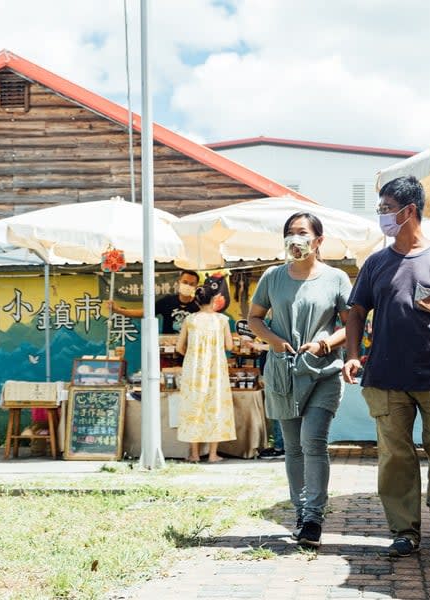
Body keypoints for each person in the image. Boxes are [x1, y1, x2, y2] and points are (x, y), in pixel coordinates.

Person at [342, 175, 430, 558]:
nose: (381, 217)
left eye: (386, 209)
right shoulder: (375, 263)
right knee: (395, 458)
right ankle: (404, 530)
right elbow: (355, 312)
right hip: (386, 378)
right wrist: (353, 355)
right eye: (380, 209)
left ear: (409, 211)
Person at [248, 211, 351, 549]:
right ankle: (301, 511)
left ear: (318, 240)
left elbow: (352, 324)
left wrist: (325, 344)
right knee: (292, 447)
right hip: (283, 371)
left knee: (313, 441)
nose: (296, 239)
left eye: (303, 233)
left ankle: (314, 518)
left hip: (322, 371)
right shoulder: (272, 277)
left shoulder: (336, 278)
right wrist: (274, 341)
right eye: (290, 233)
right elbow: (255, 317)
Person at [175, 277, 235, 463]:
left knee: (195, 407)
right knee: (215, 407)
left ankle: (194, 454)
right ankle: (212, 454)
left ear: (196, 301)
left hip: (193, 369)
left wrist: (192, 355)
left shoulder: (190, 320)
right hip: (216, 369)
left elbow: (179, 347)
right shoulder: (222, 320)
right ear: (214, 300)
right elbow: (230, 345)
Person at [109, 269, 201, 334]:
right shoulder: (167, 301)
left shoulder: (199, 304)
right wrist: (118, 310)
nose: (187, 286)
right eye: (185, 282)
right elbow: (144, 313)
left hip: (191, 350)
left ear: (196, 286)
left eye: (191, 284)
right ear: (179, 282)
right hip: (169, 351)